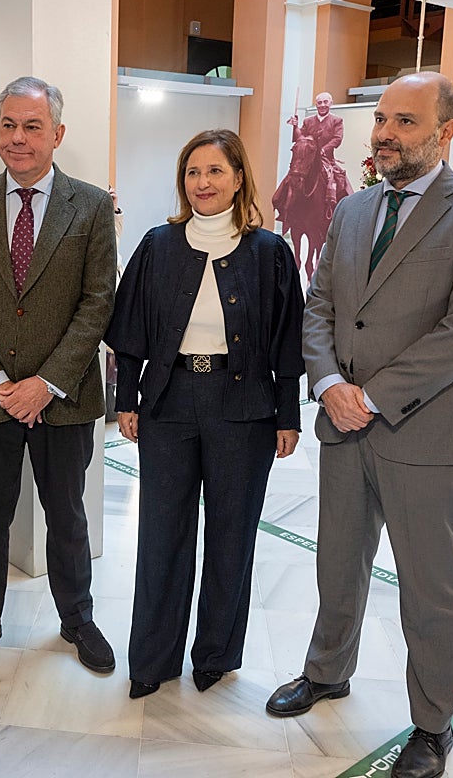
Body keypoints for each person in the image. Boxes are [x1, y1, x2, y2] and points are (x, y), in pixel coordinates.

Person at [265, 72, 453, 778]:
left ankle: (433, 726)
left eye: (405, 121)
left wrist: (369, 396)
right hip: (344, 427)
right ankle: (326, 672)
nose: (384, 132)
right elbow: (320, 307)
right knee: (336, 562)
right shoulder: (351, 210)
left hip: (426, 435)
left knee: (430, 587)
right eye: (381, 118)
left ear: (445, 132)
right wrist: (329, 383)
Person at [105, 129, 304, 699]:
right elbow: (131, 329)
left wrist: (286, 414)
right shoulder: (157, 246)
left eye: (215, 171)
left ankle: (216, 652)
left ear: (239, 177)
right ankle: (152, 658)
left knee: (230, 535)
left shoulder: (270, 253)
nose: (203, 183)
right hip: (168, 406)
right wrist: (127, 401)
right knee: (162, 534)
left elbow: (287, 340)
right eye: (193, 172)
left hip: (243, 410)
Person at [0, 76, 117, 674]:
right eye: (9, 125)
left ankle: (77, 619)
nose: (18, 138)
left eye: (32, 126)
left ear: (57, 134)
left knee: (66, 516)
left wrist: (45, 383)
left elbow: (98, 302)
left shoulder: (90, 206)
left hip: (62, 400)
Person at [286, 91, 352, 208]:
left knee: (340, 181)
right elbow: (299, 138)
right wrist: (295, 126)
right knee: (290, 179)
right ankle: (284, 208)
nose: (322, 105)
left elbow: (337, 139)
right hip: (307, 160)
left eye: (325, 102)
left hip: (327, 160)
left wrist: (323, 149)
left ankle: (342, 207)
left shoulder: (337, 121)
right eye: (319, 102)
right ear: (316, 105)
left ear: (331, 103)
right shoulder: (308, 121)